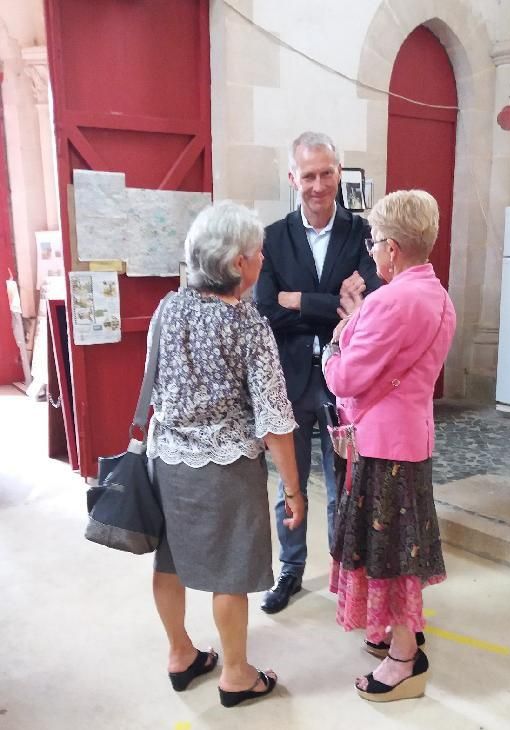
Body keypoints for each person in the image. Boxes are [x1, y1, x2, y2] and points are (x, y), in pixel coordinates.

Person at [146, 201, 304, 708]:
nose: (262, 260)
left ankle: (180, 653)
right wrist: (294, 490)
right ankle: (236, 674)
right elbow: (275, 420)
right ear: (239, 263)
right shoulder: (249, 325)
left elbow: (153, 387)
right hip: (228, 469)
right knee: (231, 573)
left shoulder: (167, 308)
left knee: (169, 561)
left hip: (167, 460)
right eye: (259, 253)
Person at [323, 189, 456, 702]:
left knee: (391, 553)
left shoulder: (392, 300)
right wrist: (360, 317)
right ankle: (393, 634)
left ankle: (404, 658)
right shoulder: (436, 293)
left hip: (384, 448)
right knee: (403, 544)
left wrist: (335, 346)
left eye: (377, 242)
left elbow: (346, 378)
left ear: (394, 248)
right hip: (412, 439)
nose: (373, 250)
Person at [255, 131, 380, 614]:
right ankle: (289, 569)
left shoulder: (363, 235)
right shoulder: (272, 237)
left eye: (327, 173)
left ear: (338, 172)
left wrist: (299, 299)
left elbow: (365, 310)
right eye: (308, 175)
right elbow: (267, 308)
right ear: (293, 178)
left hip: (343, 383)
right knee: (291, 485)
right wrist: (332, 306)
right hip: (288, 382)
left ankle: (343, 570)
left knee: (340, 486)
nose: (319, 185)